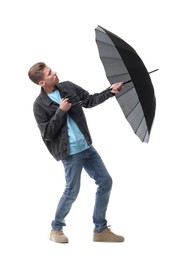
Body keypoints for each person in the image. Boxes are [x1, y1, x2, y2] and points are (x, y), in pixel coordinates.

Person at [28, 62, 124, 243]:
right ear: (42, 82)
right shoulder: (39, 105)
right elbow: (47, 133)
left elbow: (89, 100)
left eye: (52, 69)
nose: (55, 72)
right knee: (72, 191)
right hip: (70, 153)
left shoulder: (68, 87)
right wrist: (60, 111)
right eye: (50, 73)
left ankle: (100, 230)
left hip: (87, 147)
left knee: (105, 181)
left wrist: (110, 91)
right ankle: (56, 229)